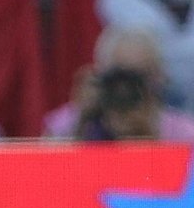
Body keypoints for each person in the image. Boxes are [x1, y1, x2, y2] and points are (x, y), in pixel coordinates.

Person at [46, 27, 194, 140]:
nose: (127, 88)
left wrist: (148, 133)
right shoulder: (69, 122)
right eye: (120, 76)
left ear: (159, 77)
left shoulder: (184, 133)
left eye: (138, 77)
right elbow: (48, 169)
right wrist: (82, 122)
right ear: (101, 75)